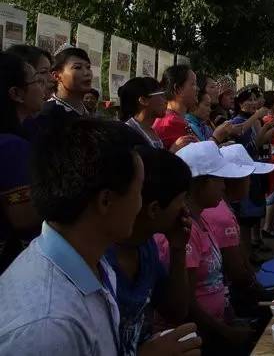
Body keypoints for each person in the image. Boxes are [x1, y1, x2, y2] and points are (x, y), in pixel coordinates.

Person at [0, 120, 201, 355]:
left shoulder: (92, 261)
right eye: (138, 192)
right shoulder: (46, 327)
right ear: (106, 201)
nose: (141, 206)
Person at [156, 141, 258, 354]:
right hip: (201, 339)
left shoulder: (202, 219)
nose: (224, 185)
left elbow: (216, 281)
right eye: (219, 178)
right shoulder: (186, 229)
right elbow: (187, 304)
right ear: (200, 183)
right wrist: (225, 332)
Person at [105, 147, 194, 356]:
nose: (185, 209)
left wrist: (178, 248)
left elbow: (176, 311)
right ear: (154, 209)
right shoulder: (99, 261)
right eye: (181, 200)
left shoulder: (145, 246)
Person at [207, 145, 274, 320]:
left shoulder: (224, 207)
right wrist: (258, 289)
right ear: (233, 180)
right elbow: (237, 272)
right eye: (248, 177)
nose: (251, 183)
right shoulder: (221, 214)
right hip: (229, 299)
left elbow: (241, 257)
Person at [0, 52, 46, 272]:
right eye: (37, 80)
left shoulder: (26, 133)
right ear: (16, 93)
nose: (44, 86)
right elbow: (25, 217)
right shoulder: (10, 147)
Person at [37, 46, 93, 126]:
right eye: (77, 67)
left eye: (88, 67)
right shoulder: (46, 114)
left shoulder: (86, 112)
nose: (87, 73)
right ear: (56, 76)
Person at [153, 65, 200, 151]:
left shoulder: (173, 118)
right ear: (178, 89)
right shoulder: (171, 123)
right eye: (193, 84)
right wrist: (216, 138)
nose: (198, 89)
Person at [119, 77, 169, 149]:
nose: (166, 101)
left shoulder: (150, 130)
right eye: (161, 95)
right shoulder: (128, 132)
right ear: (143, 100)